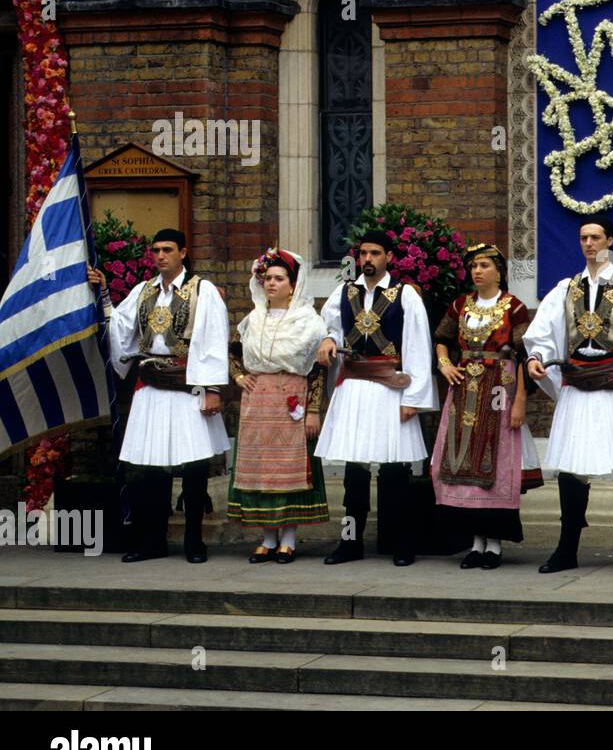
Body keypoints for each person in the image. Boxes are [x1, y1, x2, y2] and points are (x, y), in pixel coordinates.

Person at [524, 214, 613, 576]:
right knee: (573, 470)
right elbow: (542, 332)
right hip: (578, 386)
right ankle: (566, 549)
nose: (589, 244)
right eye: (583, 238)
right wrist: (536, 359)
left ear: (610, 242)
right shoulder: (565, 288)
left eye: (595, 237)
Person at [89, 228, 229, 563]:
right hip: (151, 386)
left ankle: (195, 541)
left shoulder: (203, 290)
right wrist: (104, 293)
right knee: (148, 469)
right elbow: (120, 329)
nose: (160, 256)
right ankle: (153, 541)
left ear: (183, 252)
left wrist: (211, 390)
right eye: (155, 250)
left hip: (186, 385)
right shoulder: (143, 291)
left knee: (194, 468)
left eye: (167, 249)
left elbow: (213, 337)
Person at [316, 230, 436, 566]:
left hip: (390, 388)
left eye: (375, 253)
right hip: (353, 386)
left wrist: (413, 397)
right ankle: (350, 541)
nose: (367, 259)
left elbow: (416, 345)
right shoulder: (344, 292)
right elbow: (330, 329)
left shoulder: (405, 295)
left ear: (389, 258)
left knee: (395, 471)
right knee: (354, 472)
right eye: (363, 253)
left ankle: (401, 542)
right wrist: (327, 340)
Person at [430, 243, 539, 570]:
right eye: (474, 266)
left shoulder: (514, 307)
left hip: (500, 391)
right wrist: (445, 364)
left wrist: (520, 400)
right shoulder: (460, 305)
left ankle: (495, 543)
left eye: (484, 265)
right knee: (465, 462)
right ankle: (475, 543)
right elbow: (442, 338)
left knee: (497, 464)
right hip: (464, 392)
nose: (477, 271)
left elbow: (524, 354)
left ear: (499, 271)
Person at [227, 249, 330, 564]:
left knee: (289, 471)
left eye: (279, 278)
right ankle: (267, 538)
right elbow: (232, 351)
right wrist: (239, 375)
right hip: (258, 403)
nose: (271, 283)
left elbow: (317, 369)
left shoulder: (309, 323)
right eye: (267, 278)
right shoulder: (252, 319)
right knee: (260, 471)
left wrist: (313, 410)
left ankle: (288, 539)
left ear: (293, 283)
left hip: (291, 401)